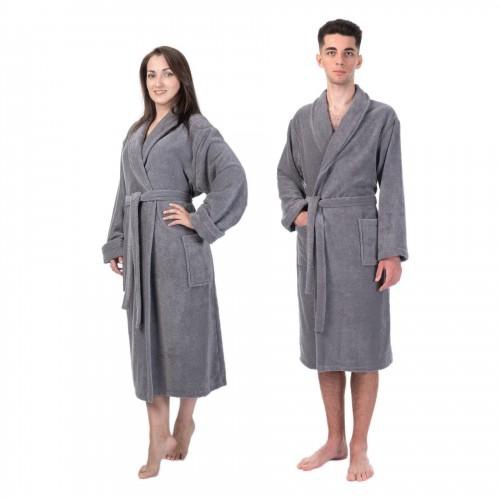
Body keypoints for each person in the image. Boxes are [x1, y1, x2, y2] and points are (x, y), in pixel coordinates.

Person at [102, 46, 247, 479]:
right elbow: (124, 191)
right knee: (147, 343)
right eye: (151, 75)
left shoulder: (195, 128)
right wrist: (117, 240)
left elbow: (233, 178)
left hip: (180, 249)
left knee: (185, 340)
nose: (158, 82)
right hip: (141, 252)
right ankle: (156, 438)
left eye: (167, 73)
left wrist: (200, 220)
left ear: (181, 79)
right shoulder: (136, 132)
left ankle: (185, 420)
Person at [277, 19, 409, 481]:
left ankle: (359, 445)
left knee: (365, 348)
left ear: (359, 59)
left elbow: (392, 186)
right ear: (319, 58)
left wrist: (391, 251)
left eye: (347, 52)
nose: (339, 59)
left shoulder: (382, 117)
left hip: (362, 241)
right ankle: (334, 439)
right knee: (325, 344)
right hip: (317, 241)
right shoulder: (302, 119)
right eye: (331, 52)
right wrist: (298, 212)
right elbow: (286, 174)